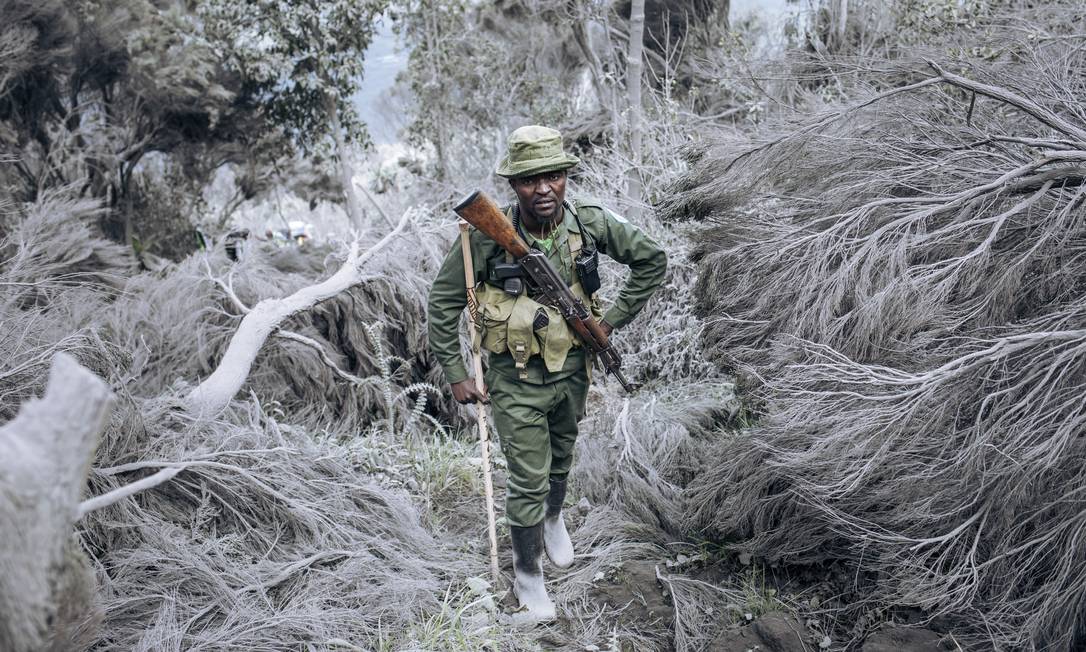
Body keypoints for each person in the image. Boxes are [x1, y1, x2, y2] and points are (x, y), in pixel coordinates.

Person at [427, 125, 667, 623]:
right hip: (513, 380)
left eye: (553, 176)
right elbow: (444, 300)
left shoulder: (590, 223)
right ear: (513, 186)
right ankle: (529, 580)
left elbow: (651, 260)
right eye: (530, 179)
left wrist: (608, 321)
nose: (544, 189)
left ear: (565, 177)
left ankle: (554, 518)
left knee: (561, 460)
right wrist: (455, 372)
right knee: (528, 479)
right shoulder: (484, 238)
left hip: (572, 371)